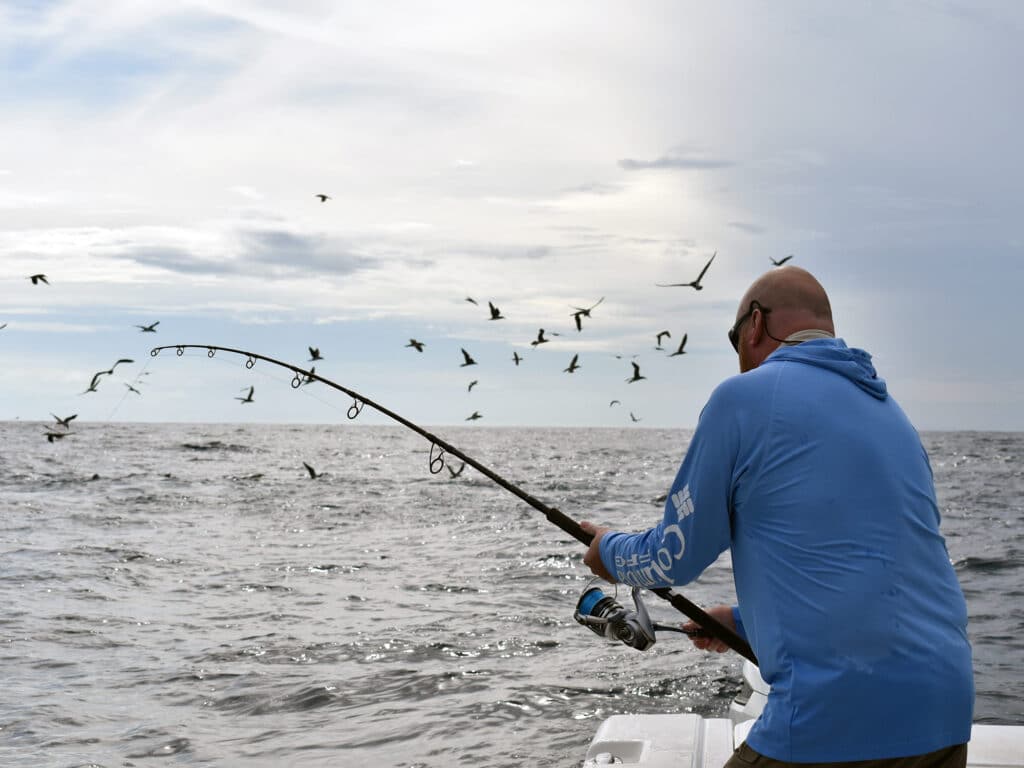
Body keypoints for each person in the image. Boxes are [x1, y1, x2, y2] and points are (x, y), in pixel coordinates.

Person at [582, 266, 973, 768]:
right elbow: (874, 573)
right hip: (941, 715)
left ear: (756, 324)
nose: (740, 356)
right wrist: (740, 623)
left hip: (829, 716)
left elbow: (671, 557)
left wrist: (608, 552)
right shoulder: (895, 418)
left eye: (734, 339)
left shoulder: (742, 398)